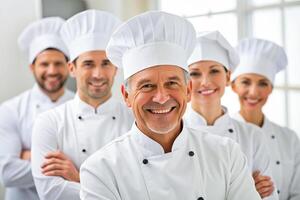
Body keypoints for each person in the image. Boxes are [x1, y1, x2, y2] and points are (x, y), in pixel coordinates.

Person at [80, 11, 261, 200]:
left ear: (188, 90)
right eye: (147, 86)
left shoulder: (227, 154)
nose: (161, 97)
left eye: (172, 83)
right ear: (127, 96)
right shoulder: (100, 170)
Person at [31, 10, 134, 200]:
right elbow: (50, 192)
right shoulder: (49, 122)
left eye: (106, 63)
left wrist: (78, 178)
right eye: (88, 64)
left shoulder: (134, 119)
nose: (98, 74)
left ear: (116, 69)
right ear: (72, 68)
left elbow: (141, 188)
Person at [184, 31, 278, 199]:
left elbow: (268, 197)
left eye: (214, 71)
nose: (205, 81)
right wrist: (246, 189)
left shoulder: (252, 136)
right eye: (195, 73)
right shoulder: (174, 135)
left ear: (228, 77)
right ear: (185, 81)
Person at [0, 17, 73, 200]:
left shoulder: (80, 105)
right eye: (44, 64)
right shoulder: (10, 110)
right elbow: (8, 174)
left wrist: (30, 156)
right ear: (32, 67)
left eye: (58, 63)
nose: (52, 71)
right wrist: (68, 164)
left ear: (69, 66)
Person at [231, 38, 300, 200]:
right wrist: (247, 192)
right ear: (233, 86)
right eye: (245, 82)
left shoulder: (289, 139)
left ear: (271, 88)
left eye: (263, 84)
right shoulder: (221, 136)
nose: (253, 92)